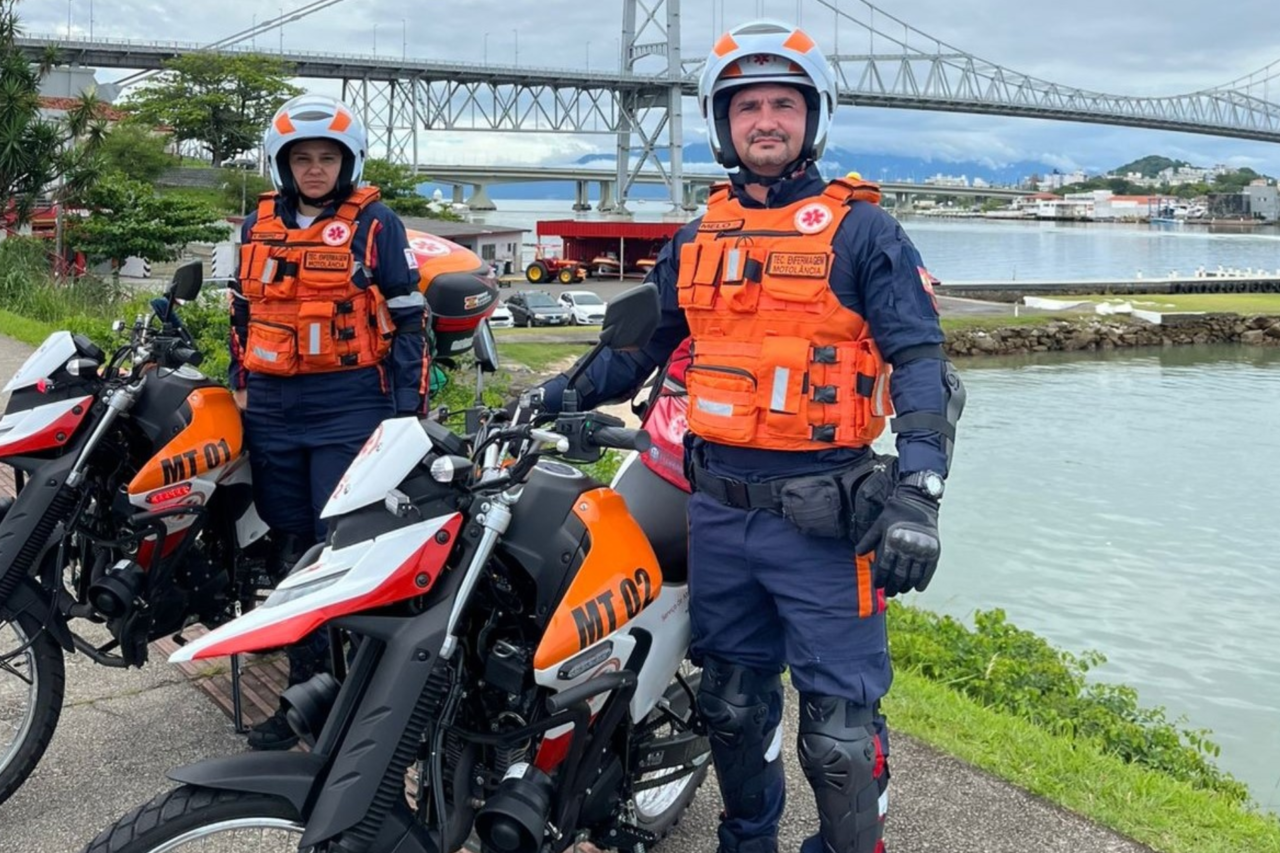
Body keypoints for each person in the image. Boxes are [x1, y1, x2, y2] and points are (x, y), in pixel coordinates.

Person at [536, 20, 965, 853]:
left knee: (838, 737)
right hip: (720, 515)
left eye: (782, 105)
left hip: (829, 522)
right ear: (721, 121)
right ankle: (747, 841)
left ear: (813, 116)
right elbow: (630, 352)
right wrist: (549, 399)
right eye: (747, 108)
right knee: (731, 704)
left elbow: (922, 366)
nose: (765, 121)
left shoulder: (865, 232)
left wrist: (920, 493)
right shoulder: (698, 239)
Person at [230, 93, 427, 750]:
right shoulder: (255, 227)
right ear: (282, 164)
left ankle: (354, 698)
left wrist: (406, 418)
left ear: (348, 160)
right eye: (302, 158)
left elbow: (408, 324)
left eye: (326, 157)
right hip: (272, 404)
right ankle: (305, 690)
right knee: (286, 544)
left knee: (335, 548)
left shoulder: (377, 223)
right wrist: (241, 388)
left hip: (348, 404)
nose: (314, 168)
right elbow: (242, 314)